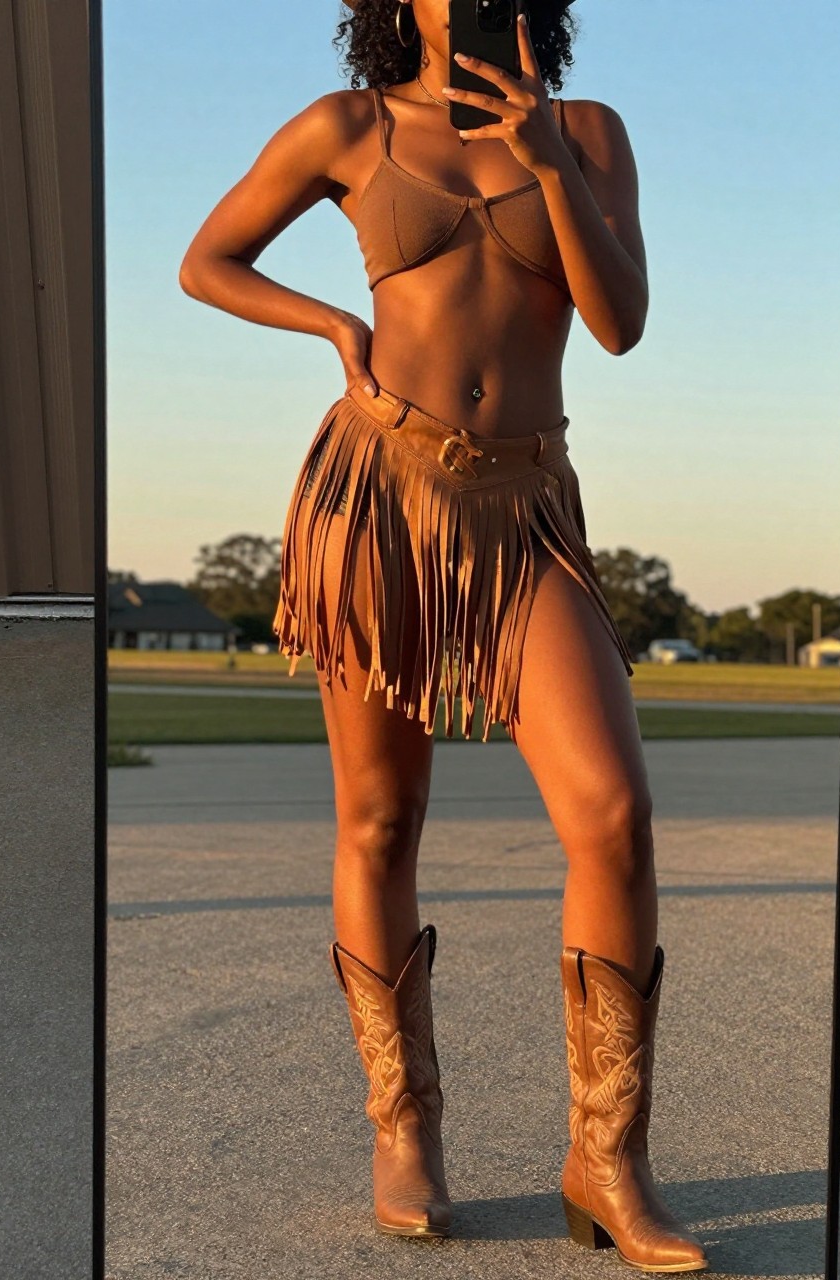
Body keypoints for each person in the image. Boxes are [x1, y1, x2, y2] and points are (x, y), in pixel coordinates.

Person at [179, 0, 709, 1271]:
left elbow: (621, 322)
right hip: (378, 498)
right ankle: (404, 1127)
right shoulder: (350, 127)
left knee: (616, 813)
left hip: (527, 512)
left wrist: (547, 162)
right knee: (377, 819)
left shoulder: (586, 130)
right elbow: (208, 260)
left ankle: (608, 1157)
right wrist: (335, 327)